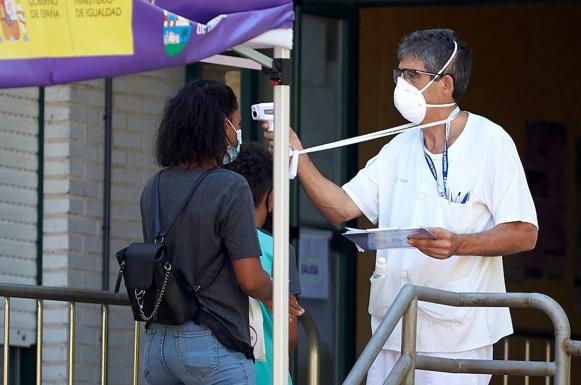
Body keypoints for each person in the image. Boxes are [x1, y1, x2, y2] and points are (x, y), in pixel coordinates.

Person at [264, 29, 538, 385]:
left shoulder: (491, 142)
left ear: (446, 85)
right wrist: (297, 156)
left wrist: (458, 244)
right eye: (399, 74)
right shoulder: (399, 147)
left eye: (412, 76)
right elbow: (340, 208)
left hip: (457, 340)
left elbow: (524, 232)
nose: (401, 85)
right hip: (391, 328)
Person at [140, 80, 288, 385]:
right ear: (221, 127)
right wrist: (274, 293)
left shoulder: (153, 187)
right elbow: (248, 276)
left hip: (159, 344)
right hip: (213, 344)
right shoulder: (230, 187)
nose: (237, 135)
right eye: (235, 125)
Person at [227, 143, 305, 385]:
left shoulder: (217, 240)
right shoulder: (279, 250)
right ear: (271, 198)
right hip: (268, 374)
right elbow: (290, 336)